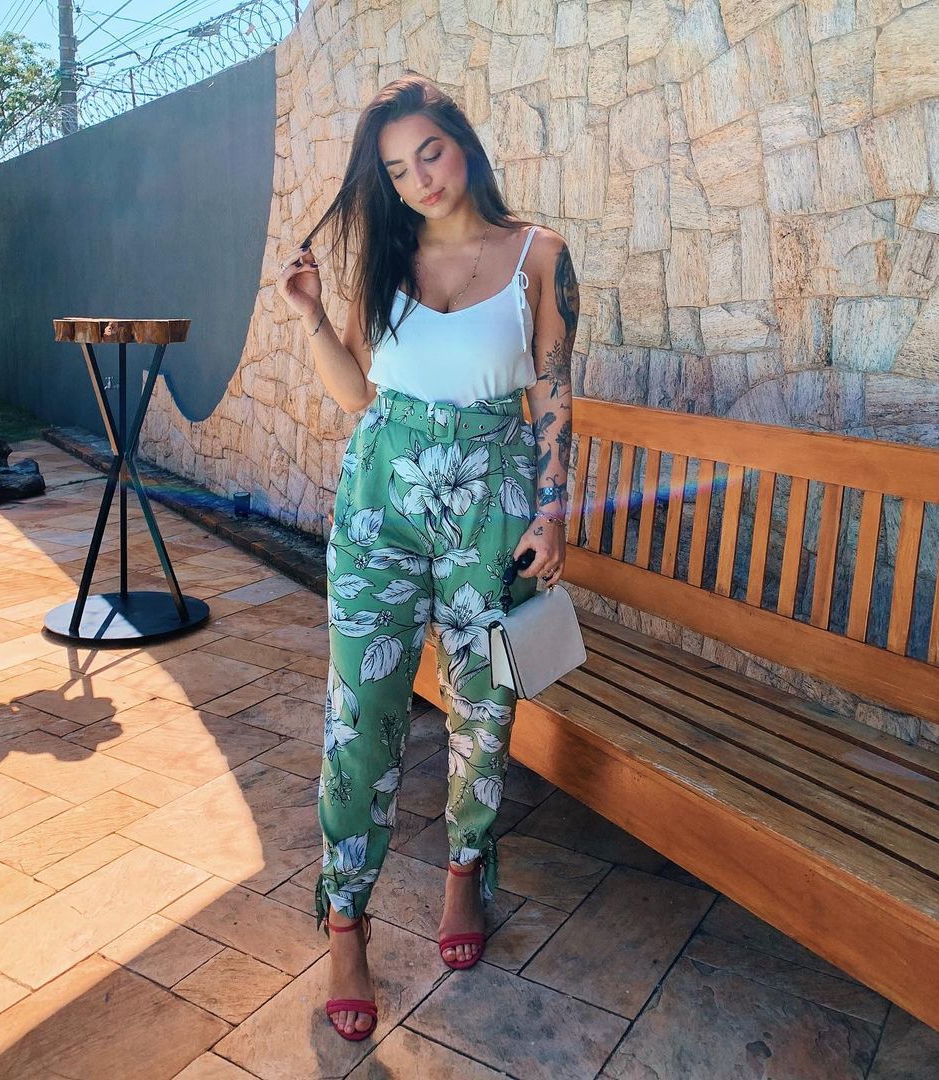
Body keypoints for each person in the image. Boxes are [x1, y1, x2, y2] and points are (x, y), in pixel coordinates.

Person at [274, 72, 578, 1042]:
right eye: (398, 170)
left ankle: (464, 874)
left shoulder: (540, 256)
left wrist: (554, 511)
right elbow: (356, 396)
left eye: (429, 153)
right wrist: (312, 315)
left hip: (492, 503)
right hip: (380, 504)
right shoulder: (386, 261)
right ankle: (346, 922)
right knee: (361, 715)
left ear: (462, 142)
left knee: (482, 707)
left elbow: (554, 393)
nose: (419, 180)